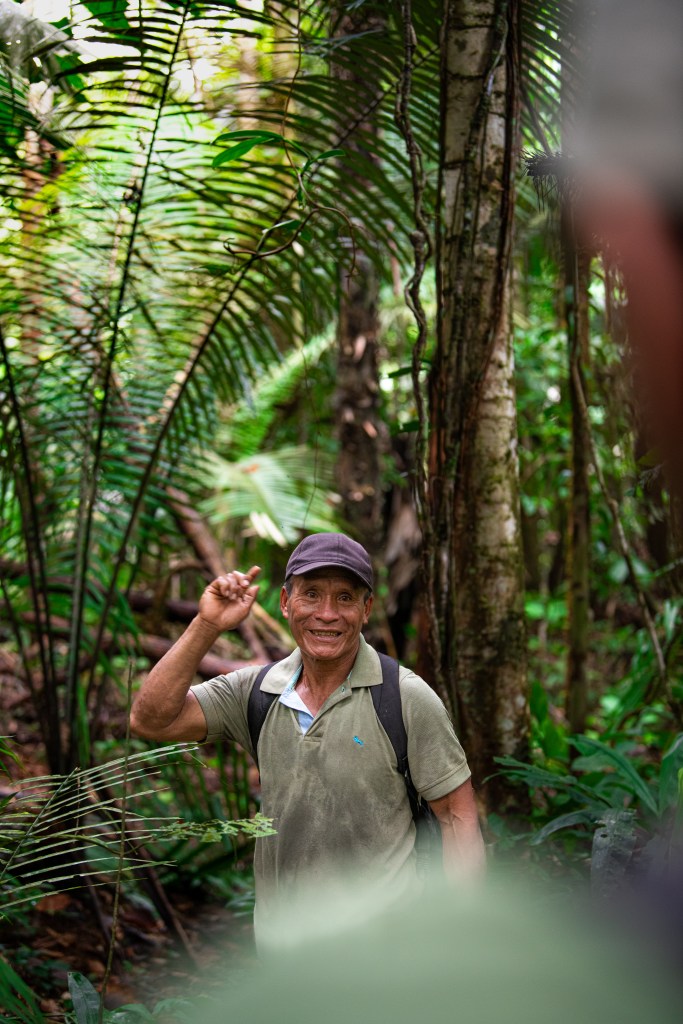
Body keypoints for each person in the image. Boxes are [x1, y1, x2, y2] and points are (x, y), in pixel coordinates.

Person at [130, 532, 485, 943]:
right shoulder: (255, 692)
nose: (327, 614)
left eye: (345, 598)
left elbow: (458, 819)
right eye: (311, 594)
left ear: (366, 609)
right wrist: (207, 624)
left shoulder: (405, 698)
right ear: (285, 603)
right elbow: (151, 720)